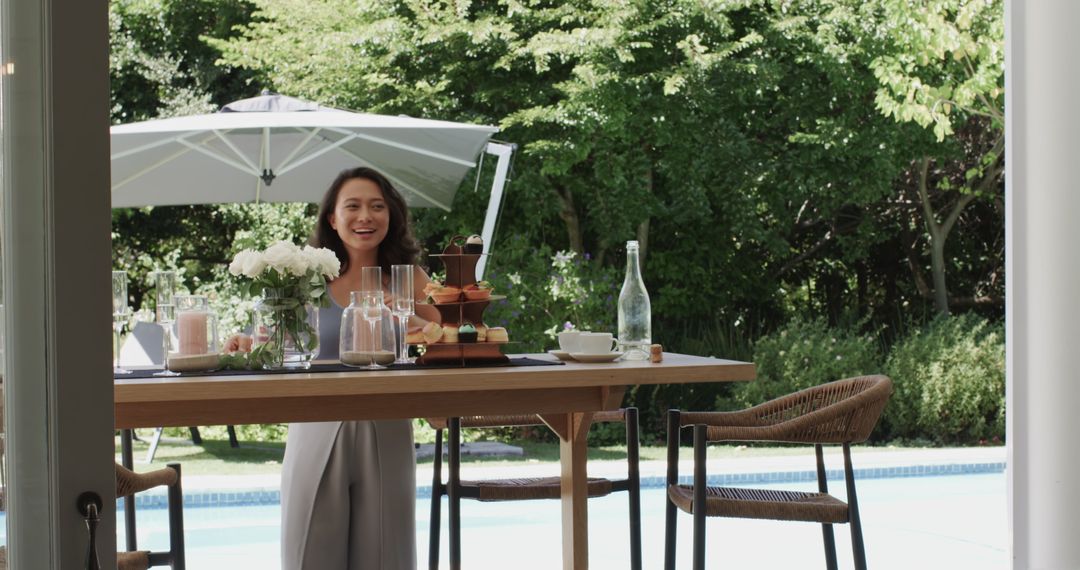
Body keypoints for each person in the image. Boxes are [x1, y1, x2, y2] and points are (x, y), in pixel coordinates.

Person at [234, 167, 438, 569]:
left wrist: (419, 324)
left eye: (377, 206)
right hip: (315, 421)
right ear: (332, 218)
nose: (366, 216)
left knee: (388, 556)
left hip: (389, 422)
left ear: (391, 216)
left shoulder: (408, 279)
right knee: (309, 552)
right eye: (354, 206)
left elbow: (448, 336)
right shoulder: (306, 277)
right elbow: (267, 339)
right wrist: (244, 343)